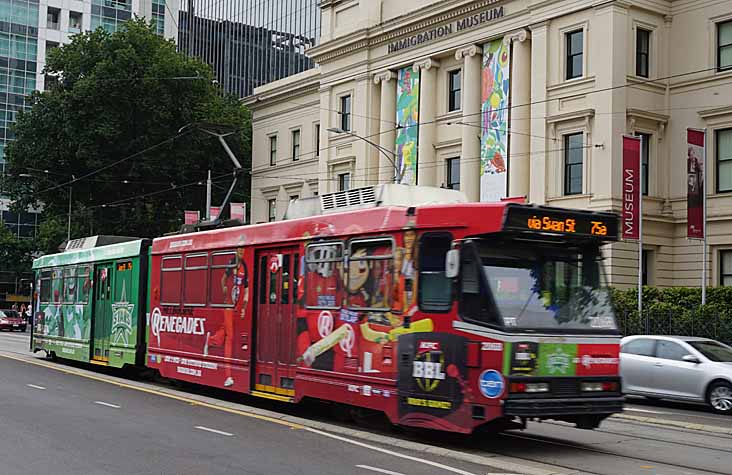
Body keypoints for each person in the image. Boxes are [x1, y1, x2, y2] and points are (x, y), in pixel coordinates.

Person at [204, 239, 248, 388]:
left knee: (224, 330)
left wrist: (244, 306)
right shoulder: (232, 262)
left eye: (244, 250)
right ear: (236, 250)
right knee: (230, 336)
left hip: (236, 304)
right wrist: (224, 290)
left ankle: (210, 341)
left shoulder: (244, 266)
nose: (242, 252)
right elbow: (223, 279)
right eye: (240, 249)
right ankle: (228, 375)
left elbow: (246, 287)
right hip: (228, 304)